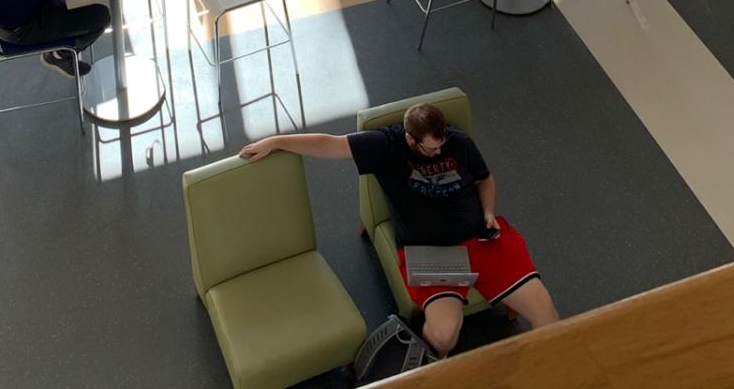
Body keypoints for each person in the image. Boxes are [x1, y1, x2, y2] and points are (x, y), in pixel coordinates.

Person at [239, 102, 558, 357]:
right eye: (430, 149)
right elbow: (328, 144)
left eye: (441, 144)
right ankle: (433, 363)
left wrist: (488, 212)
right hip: (432, 253)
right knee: (445, 336)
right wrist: (276, 141)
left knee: (549, 319)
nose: (438, 152)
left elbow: (483, 178)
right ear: (410, 138)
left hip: (481, 239)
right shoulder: (385, 146)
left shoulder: (457, 141)